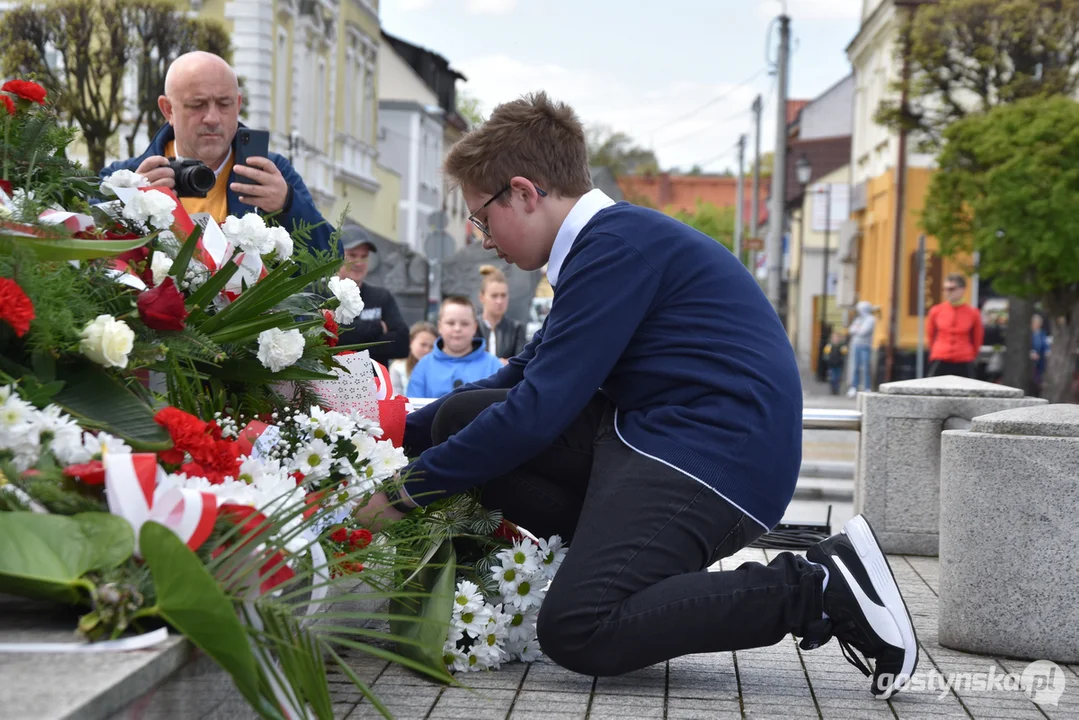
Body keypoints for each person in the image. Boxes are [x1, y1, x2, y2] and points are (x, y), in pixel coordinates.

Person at [356, 92, 918, 699]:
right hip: (662, 437)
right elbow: (518, 376)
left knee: (579, 628)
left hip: (714, 460)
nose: (483, 238)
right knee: (463, 418)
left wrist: (404, 493)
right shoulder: (606, 245)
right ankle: (626, 568)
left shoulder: (616, 248)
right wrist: (382, 431)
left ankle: (816, 587)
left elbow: (538, 410)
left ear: (523, 192)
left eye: (480, 217)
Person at [99, 51, 334, 255]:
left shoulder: (272, 175)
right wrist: (129, 205)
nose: (212, 118)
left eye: (224, 104)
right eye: (197, 104)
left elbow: (328, 261)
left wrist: (287, 205)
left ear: (238, 105)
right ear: (168, 109)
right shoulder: (123, 178)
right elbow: (91, 264)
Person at [333, 225, 409, 367]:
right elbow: (326, 340)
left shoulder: (381, 297)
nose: (359, 263)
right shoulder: (322, 294)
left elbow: (402, 345)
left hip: (375, 385)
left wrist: (349, 343)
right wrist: (377, 328)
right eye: (352, 256)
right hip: (331, 384)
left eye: (364, 256)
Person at [406, 296, 503, 398]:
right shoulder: (423, 367)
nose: (457, 329)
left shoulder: (493, 366)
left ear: (474, 327)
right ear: (440, 326)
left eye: (464, 324)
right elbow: (414, 408)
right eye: (450, 323)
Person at [927, 273, 984, 378]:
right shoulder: (936, 311)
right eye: (945, 289)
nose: (947, 292)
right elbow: (931, 335)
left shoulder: (973, 313)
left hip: (964, 357)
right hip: (941, 356)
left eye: (951, 289)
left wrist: (971, 354)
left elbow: (977, 338)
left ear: (962, 290)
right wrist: (936, 350)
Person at [476, 264, 527, 364]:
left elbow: (520, 364)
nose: (499, 301)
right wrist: (501, 363)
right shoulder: (473, 327)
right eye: (494, 296)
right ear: (482, 297)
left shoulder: (516, 329)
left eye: (503, 295)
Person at [389, 321, 436, 397]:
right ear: (411, 342)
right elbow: (395, 397)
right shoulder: (397, 368)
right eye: (423, 345)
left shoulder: (439, 369)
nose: (427, 350)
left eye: (432, 347)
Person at [846, 301, 876, 397]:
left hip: (865, 346)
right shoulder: (858, 319)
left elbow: (864, 331)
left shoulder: (871, 319)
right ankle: (854, 387)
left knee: (866, 366)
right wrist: (857, 328)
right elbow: (851, 330)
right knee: (856, 366)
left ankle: (867, 387)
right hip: (856, 345)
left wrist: (857, 329)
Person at [823, 330, 849, 395]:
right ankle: (833, 389)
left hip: (839, 365)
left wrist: (844, 351)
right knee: (832, 377)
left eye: (837, 338)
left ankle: (836, 390)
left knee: (838, 378)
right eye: (834, 338)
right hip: (831, 365)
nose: (835, 339)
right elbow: (825, 353)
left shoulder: (841, 346)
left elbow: (844, 353)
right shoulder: (829, 346)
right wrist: (827, 359)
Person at [1031, 313, 1050, 395]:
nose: (1037, 325)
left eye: (1039, 323)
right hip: (1031, 361)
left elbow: (1045, 345)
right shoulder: (1029, 334)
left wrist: (1047, 351)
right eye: (1035, 323)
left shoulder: (1042, 333)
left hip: (1040, 360)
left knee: (1039, 378)